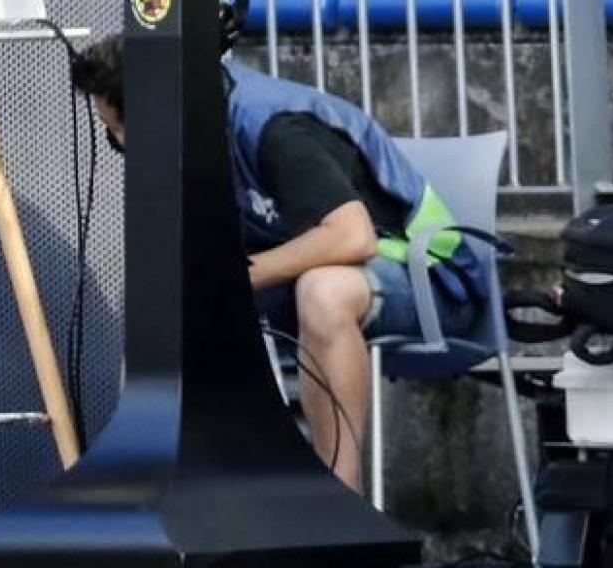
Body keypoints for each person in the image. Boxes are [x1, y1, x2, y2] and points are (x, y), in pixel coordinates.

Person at [71, 39, 491, 491]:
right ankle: (194, 492)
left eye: (123, 133)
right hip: (306, 280)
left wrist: (230, 278)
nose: (119, 144)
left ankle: (337, 496)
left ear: (157, 113)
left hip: (429, 280)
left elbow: (352, 236)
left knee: (322, 291)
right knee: (166, 298)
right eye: (115, 138)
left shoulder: (274, 128)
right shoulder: (198, 135)